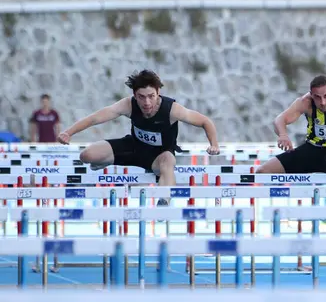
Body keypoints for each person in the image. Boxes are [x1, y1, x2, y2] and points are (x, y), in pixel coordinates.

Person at [57, 70, 220, 205]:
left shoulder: (172, 109)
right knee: (86, 155)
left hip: (159, 156)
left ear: (158, 93)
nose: (147, 102)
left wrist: (214, 144)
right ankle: (105, 160)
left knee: (168, 160)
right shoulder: (128, 104)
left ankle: (164, 202)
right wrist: (69, 132)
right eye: (141, 97)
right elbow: (95, 118)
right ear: (135, 95)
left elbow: (205, 121)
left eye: (151, 96)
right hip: (133, 148)